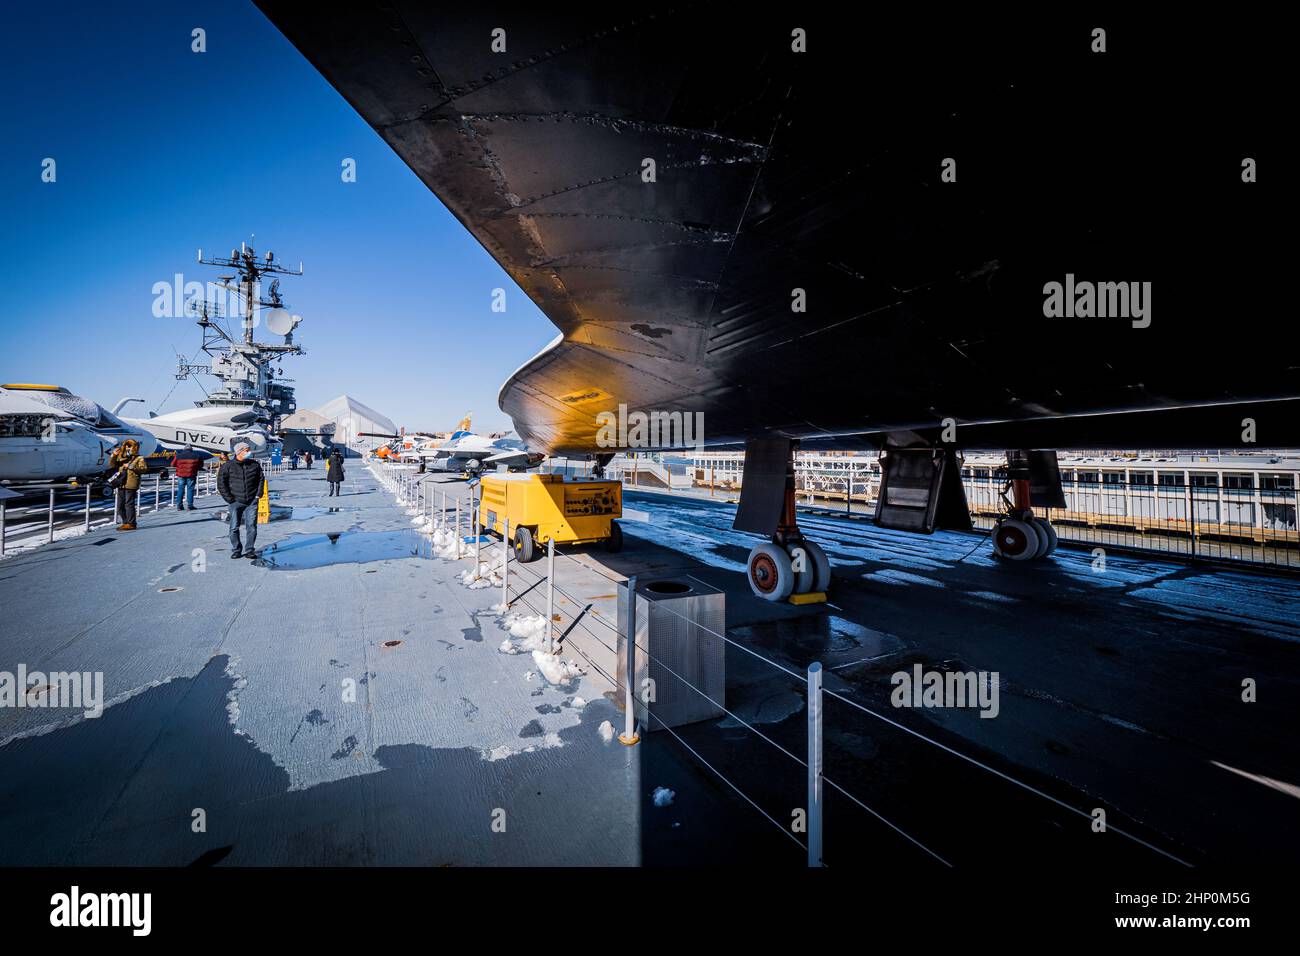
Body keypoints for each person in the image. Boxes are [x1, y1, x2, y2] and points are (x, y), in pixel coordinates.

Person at [218, 441, 265, 559]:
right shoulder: (228, 466)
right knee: (234, 527)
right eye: (247, 450)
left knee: (252, 526)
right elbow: (221, 484)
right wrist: (230, 499)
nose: (249, 452)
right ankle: (236, 549)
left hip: (252, 501)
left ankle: (249, 550)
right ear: (239, 452)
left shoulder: (254, 464)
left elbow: (261, 479)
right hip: (235, 501)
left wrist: (258, 494)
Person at [108, 438, 147, 531]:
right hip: (121, 483)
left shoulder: (139, 458)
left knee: (129, 504)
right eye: (126, 445)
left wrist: (130, 466)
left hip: (131, 483)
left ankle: (131, 523)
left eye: (130, 446)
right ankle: (125, 522)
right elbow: (112, 465)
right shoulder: (122, 457)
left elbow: (143, 469)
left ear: (134, 447)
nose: (127, 448)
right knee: (120, 505)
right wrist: (113, 455)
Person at [172, 443, 212, 511]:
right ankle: (190, 506)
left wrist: (180, 467)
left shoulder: (178, 455)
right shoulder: (196, 456)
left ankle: (179, 506)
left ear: (184, 449)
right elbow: (201, 465)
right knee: (190, 490)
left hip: (181, 475)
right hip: (191, 475)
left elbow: (172, 464)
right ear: (191, 449)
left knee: (180, 490)